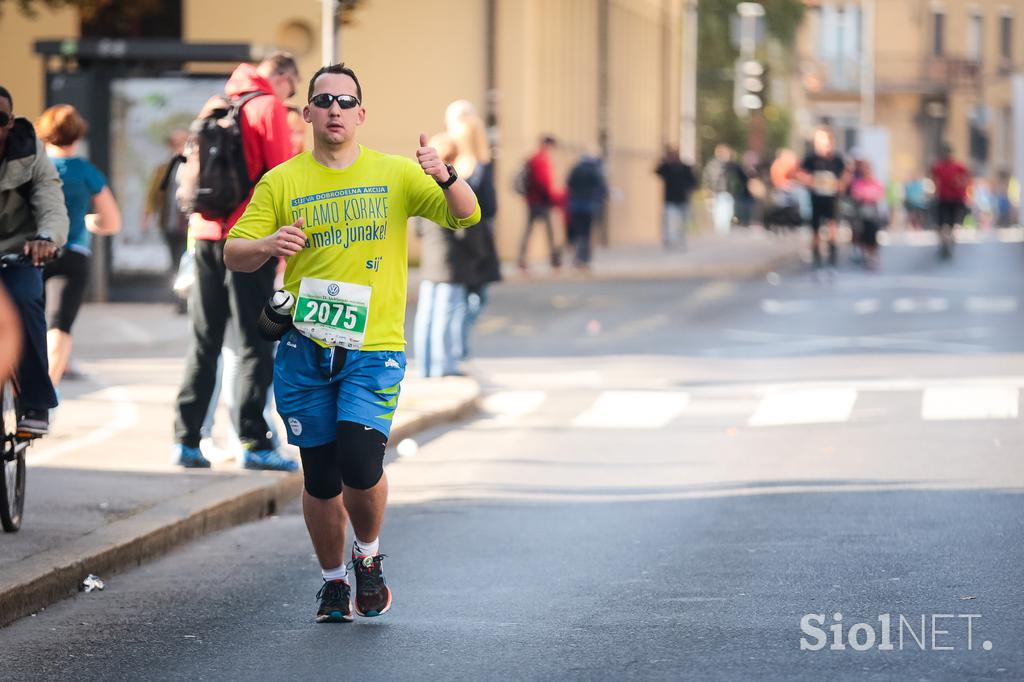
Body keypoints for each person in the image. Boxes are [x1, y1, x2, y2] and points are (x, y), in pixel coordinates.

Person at [223, 63, 480, 623]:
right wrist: (268, 243)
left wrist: (445, 175)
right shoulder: (283, 181)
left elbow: (466, 215)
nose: (335, 109)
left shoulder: (393, 173)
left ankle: (368, 557)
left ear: (361, 114)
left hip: (372, 347)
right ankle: (333, 581)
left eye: (346, 101)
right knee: (319, 474)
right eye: (324, 101)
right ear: (308, 113)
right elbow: (232, 253)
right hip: (304, 348)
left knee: (360, 463)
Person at [172, 52, 300, 470]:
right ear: (281, 76)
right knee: (255, 341)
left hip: (207, 235)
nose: (290, 97)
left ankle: (187, 440)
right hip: (249, 242)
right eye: (292, 88)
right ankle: (255, 442)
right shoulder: (267, 108)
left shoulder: (216, 103)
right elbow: (282, 178)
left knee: (204, 341)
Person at [36, 105, 122, 388]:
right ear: (77, 134)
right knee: (59, 325)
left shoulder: (31, 168)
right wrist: (88, 221)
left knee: (26, 323)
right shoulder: (87, 172)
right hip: (71, 255)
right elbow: (111, 222)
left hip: (31, 253)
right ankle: (44, 398)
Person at [0, 85, 69, 436]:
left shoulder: (30, 152)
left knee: (26, 298)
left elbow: (51, 201)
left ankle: (34, 401)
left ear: (10, 122)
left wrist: (45, 239)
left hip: (17, 250)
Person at [413, 132, 468, 377]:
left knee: (426, 316)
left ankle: (425, 368)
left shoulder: (421, 186)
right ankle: (441, 367)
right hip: (450, 260)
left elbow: (418, 228)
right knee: (444, 315)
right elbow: (464, 222)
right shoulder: (452, 187)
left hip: (430, 258)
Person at [447, 110, 499, 360]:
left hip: (468, 242)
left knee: (466, 300)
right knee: (468, 300)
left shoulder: (463, 169)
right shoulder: (473, 170)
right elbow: (490, 206)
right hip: (471, 242)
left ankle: (458, 351)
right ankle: (457, 351)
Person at [798, 126, 850, 270]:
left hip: (832, 199)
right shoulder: (811, 159)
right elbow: (799, 173)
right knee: (815, 229)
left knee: (832, 227)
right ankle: (817, 257)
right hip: (816, 198)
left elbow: (845, 176)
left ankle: (832, 255)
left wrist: (840, 184)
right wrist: (809, 180)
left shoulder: (837, 159)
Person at [143, 130, 189, 277]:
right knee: (175, 258)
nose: (179, 147)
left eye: (182, 143)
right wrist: (147, 215)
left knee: (186, 256)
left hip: (189, 223)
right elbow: (153, 194)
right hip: (169, 221)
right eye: (175, 144)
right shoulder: (164, 169)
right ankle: (179, 292)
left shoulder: (194, 165)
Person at [517, 135, 564, 271]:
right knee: (550, 231)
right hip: (541, 201)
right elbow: (543, 182)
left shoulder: (535, 158)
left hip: (535, 200)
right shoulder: (541, 159)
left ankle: (523, 259)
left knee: (530, 230)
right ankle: (554, 260)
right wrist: (554, 197)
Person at [565, 151, 608, 270]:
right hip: (588, 206)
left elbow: (568, 184)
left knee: (578, 233)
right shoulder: (594, 171)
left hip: (575, 205)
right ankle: (584, 258)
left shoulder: (575, 169)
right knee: (587, 233)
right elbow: (601, 187)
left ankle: (577, 257)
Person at [930, 142, 970, 260]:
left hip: (956, 199)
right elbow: (933, 178)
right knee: (942, 224)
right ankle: (945, 243)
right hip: (943, 199)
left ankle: (949, 240)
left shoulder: (959, 167)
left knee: (952, 224)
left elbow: (966, 179)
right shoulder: (938, 166)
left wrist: (960, 183)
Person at [654, 146, 697, 250]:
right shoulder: (667, 167)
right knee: (671, 222)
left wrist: (689, 191)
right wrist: (663, 160)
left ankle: (681, 240)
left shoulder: (685, 168)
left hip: (683, 200)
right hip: (670, 200)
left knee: (682, 223)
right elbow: (657, 171)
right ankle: (671, 242)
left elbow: (693, 182)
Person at [849, 158, 885, 271]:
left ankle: (873, 257)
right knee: (862, 233)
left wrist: (868, 196)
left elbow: (879, 194)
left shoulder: (875, 182)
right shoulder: (858, 182)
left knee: (873, 234)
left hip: (873, 211)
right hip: (861, 211)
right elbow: (855, 195)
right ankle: (866, 256)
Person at [703, 144, 736, 234]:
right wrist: (709, 190)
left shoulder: (731, 165)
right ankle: (720, 233)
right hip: (717, 192)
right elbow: (708, 178)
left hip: (727, 192)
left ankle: (723, 232)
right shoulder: (713, 165)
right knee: (719, 214)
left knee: (727, 213)